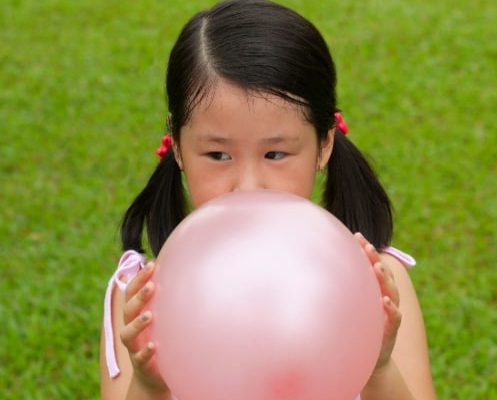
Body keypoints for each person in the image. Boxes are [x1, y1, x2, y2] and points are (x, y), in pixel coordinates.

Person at [100, 1, 436, 399]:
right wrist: (149, 385)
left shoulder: (378, 283)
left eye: (275, 154)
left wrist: (378, 367)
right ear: (176, 147)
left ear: (324, 143)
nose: (248, 186)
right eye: (218, 155)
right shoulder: (143, 295)